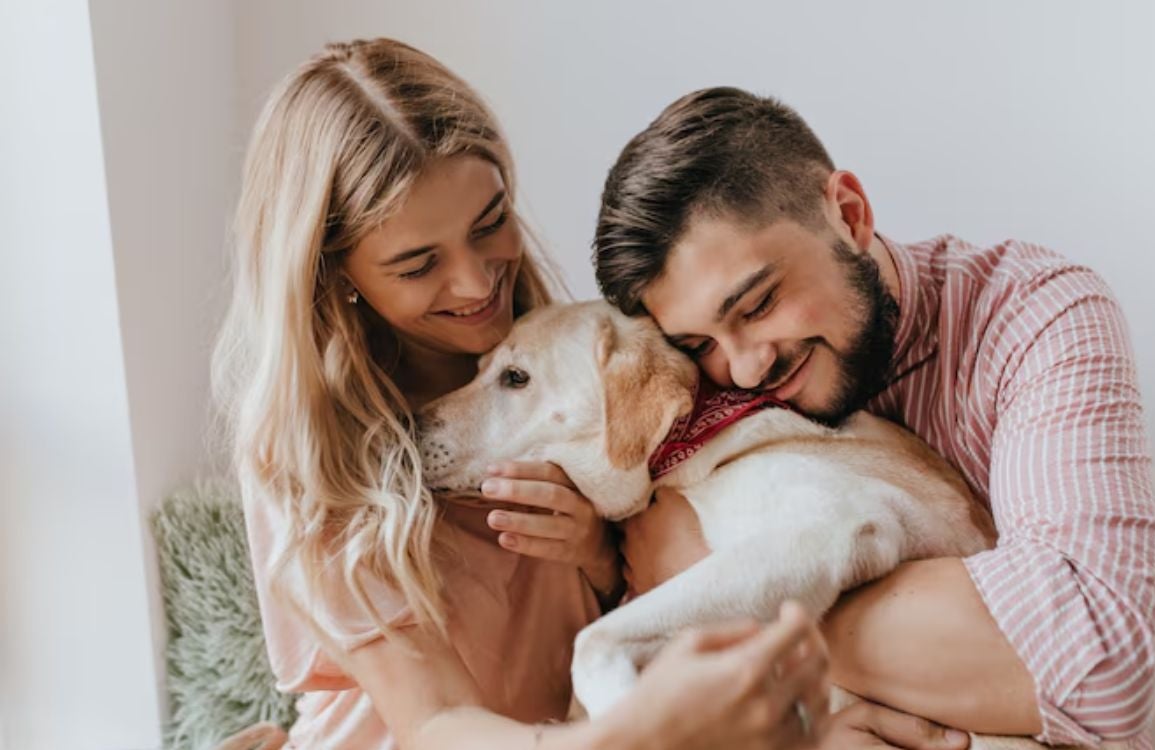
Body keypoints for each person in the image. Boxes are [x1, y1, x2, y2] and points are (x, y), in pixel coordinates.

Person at [212, 40, 831, 750]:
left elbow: (632, 593)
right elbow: (434, 723)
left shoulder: (571, 363)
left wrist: (598, 553)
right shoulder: (310, 456)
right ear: (334, 273)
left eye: (489, 224)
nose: (477, 284)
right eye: (419, 265)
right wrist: (638, 733)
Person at [593, 87, 1155, 750]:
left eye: (758, 304)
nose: (747, 370)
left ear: (849, 214)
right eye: (700, 344)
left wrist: (706, 581)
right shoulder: (692, 407)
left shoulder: (1033, 317)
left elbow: (1100, 668)